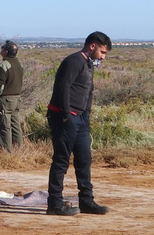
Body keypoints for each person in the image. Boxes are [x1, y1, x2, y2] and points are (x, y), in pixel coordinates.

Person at [46, 32, 112, 217]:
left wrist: (87, 113)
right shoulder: (74, 61)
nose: (103, 57)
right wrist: (66, 114)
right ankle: (55, 204)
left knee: (84, 160)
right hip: (64, 117)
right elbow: (62, 87)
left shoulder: (88, 64)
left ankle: (86, 201)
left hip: (81, 118)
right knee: (61, 160)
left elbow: (88, 91)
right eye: (102, 52)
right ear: (92, 46)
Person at [0, 40, 26, 152]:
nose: (1, 50)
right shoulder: (19, 64)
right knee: (15, 126)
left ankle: (6, 153)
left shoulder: (4, 65)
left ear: (6, 51)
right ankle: (19, 150)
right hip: (17, 99)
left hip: (5, 100)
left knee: (3, 126)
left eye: (2, 48)